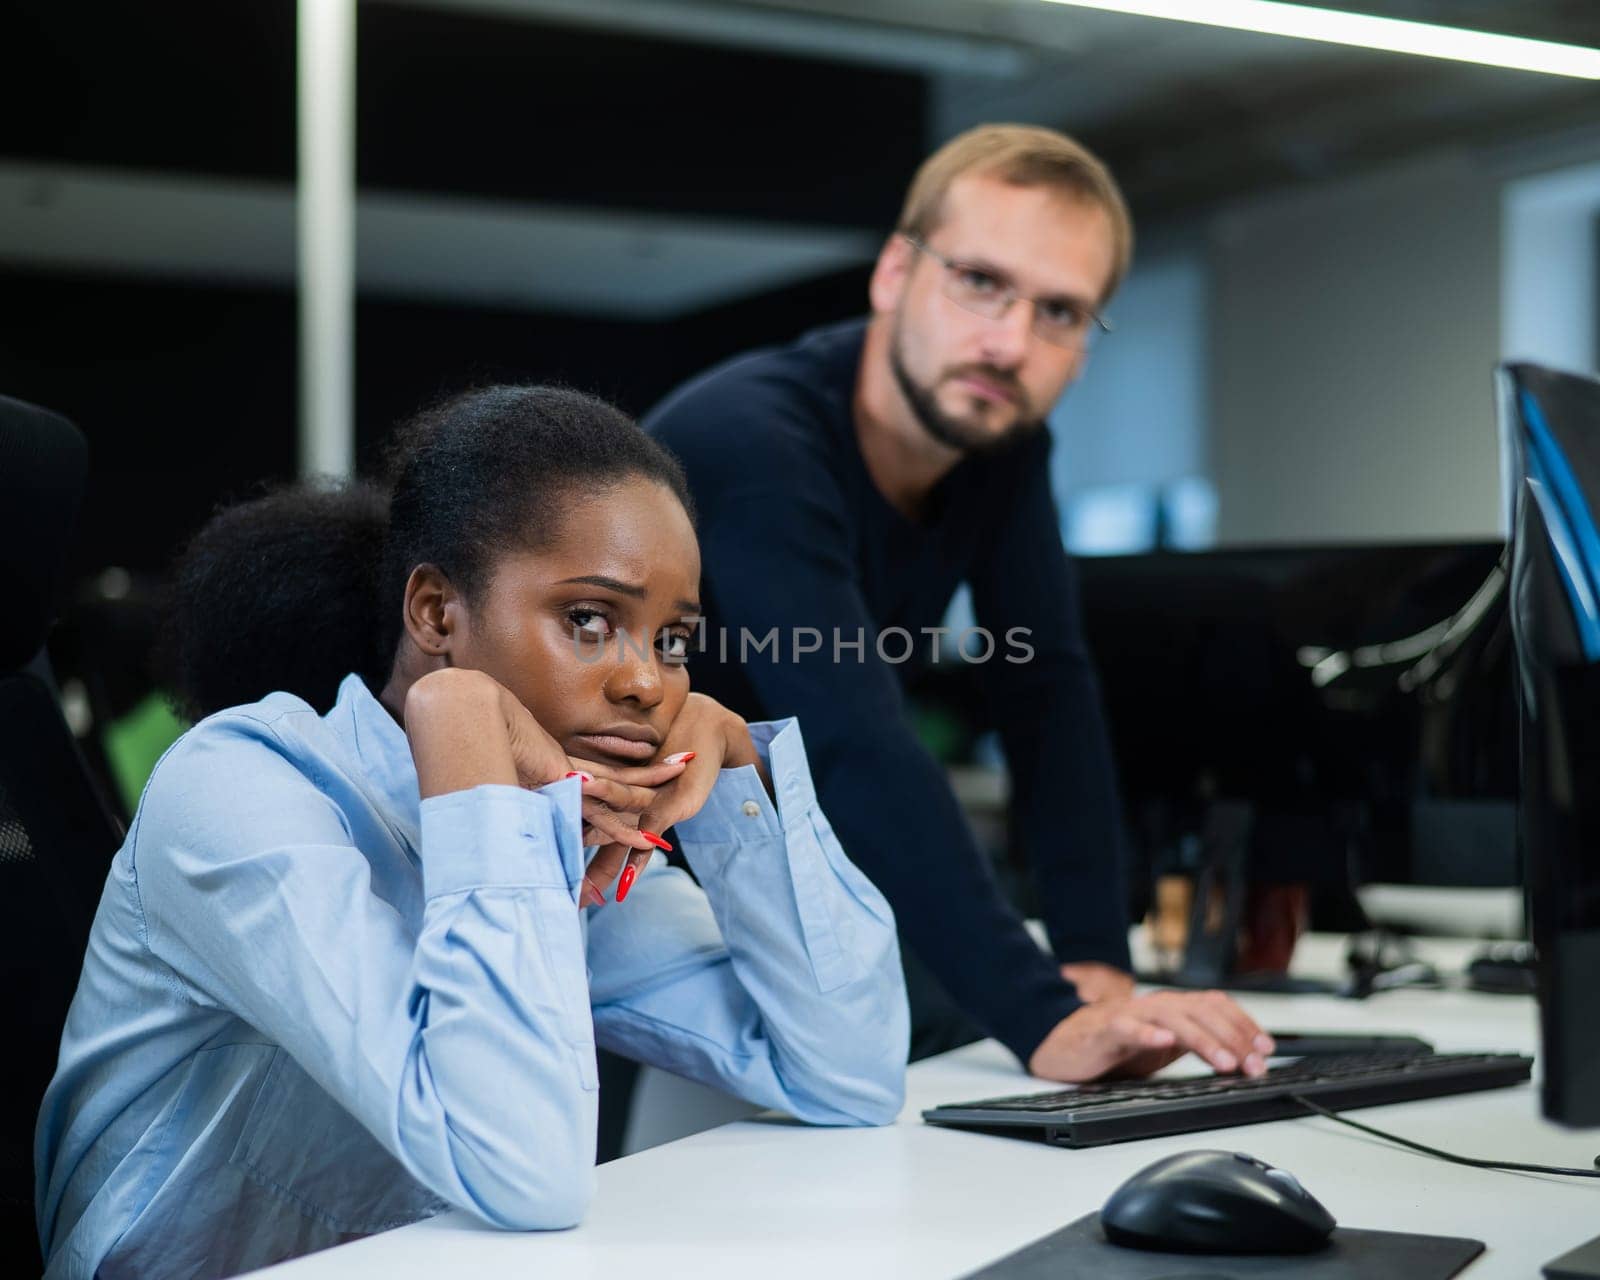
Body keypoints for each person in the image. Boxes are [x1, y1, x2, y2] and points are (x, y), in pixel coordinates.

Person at [34, 386, 909, 1280]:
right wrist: (462, 743)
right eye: (589, 621)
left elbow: (850, 1072)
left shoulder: (564, 839)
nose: (648, 682)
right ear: (436, 615)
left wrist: (734, 787)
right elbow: (525, 1172)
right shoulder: (237, 788)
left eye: (674, 640)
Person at [646, 124, 1274, 1081]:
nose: (1011, 342)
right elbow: (848, 740)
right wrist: (1045, 1017)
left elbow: (1048, 692)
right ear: (895, 274)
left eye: (1061, 312)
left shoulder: (1003, 450)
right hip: (593, 854)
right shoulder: (756, 440)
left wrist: (1097, 966)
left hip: (755, 858)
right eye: (980, 282)